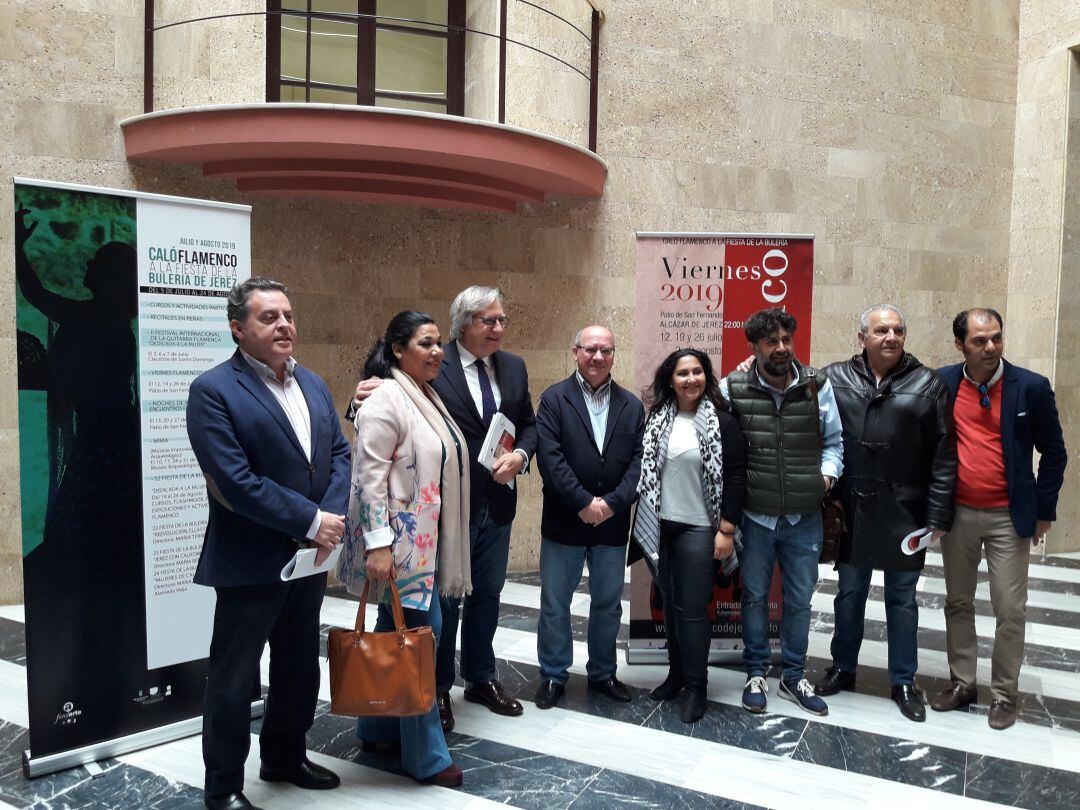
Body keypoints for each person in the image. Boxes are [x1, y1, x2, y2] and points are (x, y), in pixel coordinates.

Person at [187, 277, 351, 810]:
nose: (284, 325)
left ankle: (284, 757)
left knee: (299, 667)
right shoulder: (213, 390)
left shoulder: (314, 384)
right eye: (268, 317)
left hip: (307, 559)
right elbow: (234, 481)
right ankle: (223, 787)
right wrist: (311, 520)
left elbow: (340, 454)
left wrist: (329, 519)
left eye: (288, 315)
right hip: (251, 560)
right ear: (237, 328)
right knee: (234, 679)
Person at [350, 286, 537, 732]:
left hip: (497, 504)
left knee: (488, 594)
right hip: (446, 512)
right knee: (443, 603)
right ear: (464, 324)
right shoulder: (431, 364)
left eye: (502, 320)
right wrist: (356, 402)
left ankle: (480, 677)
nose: (499, 328)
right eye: (489, 320)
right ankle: (436, 687)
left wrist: (521, 456)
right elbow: (378, 412)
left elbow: (527, 424)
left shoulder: (513, 366)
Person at [337, 310, 470, 786]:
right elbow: (368, 479)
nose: (436, 352)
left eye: (438, 343)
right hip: (398, 546)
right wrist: (378, 545)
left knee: (393, 629)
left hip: (422, 543)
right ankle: (425, 757)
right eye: (424, 343)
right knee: (420, 640)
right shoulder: (386, 397)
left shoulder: (424, 394)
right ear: (397, 349)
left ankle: (376, 728)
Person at [812, 304, 955, 722]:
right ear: (862, 338)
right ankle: (842, 667)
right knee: (849, 593)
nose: (891, 337)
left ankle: (904, 681)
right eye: (881, 330)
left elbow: (944, 455)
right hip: (851, 508)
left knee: (902, 598)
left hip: (905, 511)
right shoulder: (834, 377)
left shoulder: (928, 383)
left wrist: (938, 515)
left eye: (897, 330)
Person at [931, 308, 1067, 730]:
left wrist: (1044, 511)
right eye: (979, 340)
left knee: (1010, 609)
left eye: (996, 338)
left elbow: (1055, 452)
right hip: (958, 515)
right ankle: (963, 683)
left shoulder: (1031, 387)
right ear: (960, 345)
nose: (990, 347)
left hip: (1008, 517)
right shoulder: (944, 383)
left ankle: (1005, 695)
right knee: (958, 601)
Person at [720, 307, 843, 717]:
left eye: (786, 339)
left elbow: (834, 442)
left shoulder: (816, 386)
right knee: (754, 597)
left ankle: (793, 676)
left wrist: (825, 478)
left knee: (800, 601)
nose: (781, 348)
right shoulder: (732, 387)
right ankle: (756, 673)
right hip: (755, 517)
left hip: (804, 518)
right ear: (753, 346)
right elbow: (716, 440)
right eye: (771, 341)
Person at [532, 326, 645, 710]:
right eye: (591, 349)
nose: (598, 357)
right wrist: (583, 502)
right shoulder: (553, 399)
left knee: (608, 603)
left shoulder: (631, 406)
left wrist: (611, 505)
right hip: (564, 520)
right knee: (554, 602)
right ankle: (553, 673)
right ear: (575, 352)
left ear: (614, 355)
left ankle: (603, 673)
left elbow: (639, 463)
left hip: (612, 524)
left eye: (606, 350)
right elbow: (550, 458)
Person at [634, 348, 746, 723]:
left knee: (693, 610)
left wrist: (726, 529)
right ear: (671, 379)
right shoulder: (658, 419)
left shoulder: (723, 421)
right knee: (669, 603)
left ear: (706, 377)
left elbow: (735, 477)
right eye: (683, 373)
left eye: (697, 372)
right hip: (661, 525)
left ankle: (697, 687)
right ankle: (676, 675)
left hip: (699, 527)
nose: (691, 379)